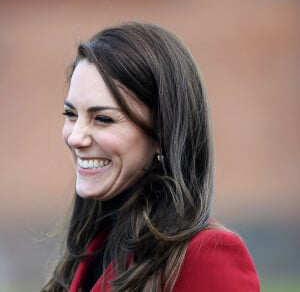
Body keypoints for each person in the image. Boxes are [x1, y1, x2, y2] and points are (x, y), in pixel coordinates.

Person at [42, 22, 260, 292]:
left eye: (103, 119)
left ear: (161, 134)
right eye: (71, 115)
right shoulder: (92, 247)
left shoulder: (207, 255)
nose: (76, 137)